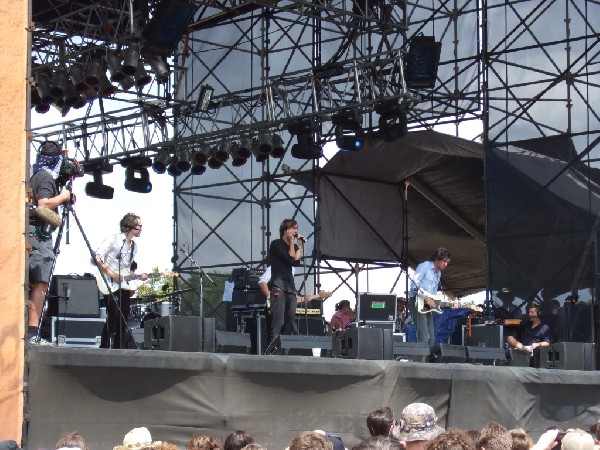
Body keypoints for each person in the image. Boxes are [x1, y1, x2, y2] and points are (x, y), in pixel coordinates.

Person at [28, 141, 73, 345]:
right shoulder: (46, 177)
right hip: (39, 235)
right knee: (40, 282)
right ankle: (32, 334)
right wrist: (64, 196)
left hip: (30, 233)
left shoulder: (33, 174)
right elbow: (43, 204)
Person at [95, 212, 149, 349]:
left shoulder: (134, 247)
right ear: (128, 227)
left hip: (122, 284)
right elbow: (97, 257)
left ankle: (118, 348)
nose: (141, 229)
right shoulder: (113, 239)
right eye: (139, 226)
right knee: (112, 316)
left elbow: (126, 270)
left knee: (124, 318)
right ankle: (104, 346)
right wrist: (112, 274)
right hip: (107, 280)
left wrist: (136, 276)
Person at [267, 218, 304, 344]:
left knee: (290, 321)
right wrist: (292, 242)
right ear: (286, 230)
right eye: (294, 228)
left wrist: (299, 246)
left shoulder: (292, 246)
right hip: (279, 286)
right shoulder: (276, 244)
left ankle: (286, 351)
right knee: (278, 322)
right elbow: (290, 258)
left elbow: (296, 262)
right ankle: (273, 351)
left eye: (297, 228)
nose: (296, 230)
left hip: (290, 288)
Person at [408, 248, 451, 346]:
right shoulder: (425, 266)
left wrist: (438, 302)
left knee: (431, 338)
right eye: (444, 261)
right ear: (437, 258)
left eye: (448, 262)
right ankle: (419, 360)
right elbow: (414, 284)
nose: (446, 264)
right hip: (417, 301)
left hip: (426, 305)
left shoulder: (438, 273)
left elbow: (433, 293)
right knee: (424, 336)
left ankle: (427, 359)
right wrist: (426, 298)